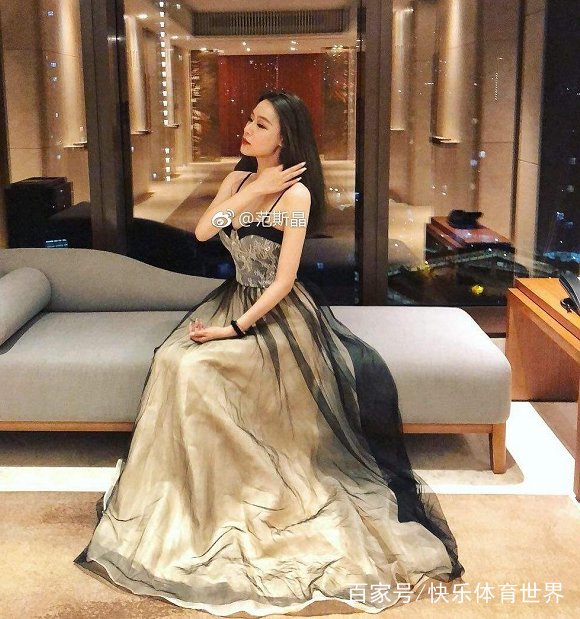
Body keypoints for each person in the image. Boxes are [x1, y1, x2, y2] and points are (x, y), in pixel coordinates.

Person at [74, 89, 465, 615]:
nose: (248, 128)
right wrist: (251, 189)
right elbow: (203, 231)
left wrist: (233, 330)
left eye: (261, 124)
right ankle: (195, 495)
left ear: (284, 138)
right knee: (172, 361)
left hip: (273, 316)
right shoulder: (238, 180)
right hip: (233, 297)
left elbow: (283, 280)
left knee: (197, 368)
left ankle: (241, 492)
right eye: (250, 119)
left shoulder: (297, 198)